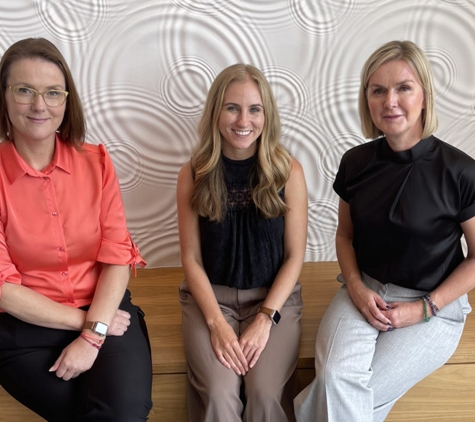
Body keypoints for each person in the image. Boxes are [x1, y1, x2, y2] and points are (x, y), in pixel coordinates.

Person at [294, 40, 474, 421]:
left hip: (435, 302)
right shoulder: (355, 163)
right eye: (378, 90)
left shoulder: (461, 171)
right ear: (367, 99)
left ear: (424, 95)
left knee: (345, 391)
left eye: (403, 88)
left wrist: (425, 308)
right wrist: (357, 289)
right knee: (336, 379)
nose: (390, 101)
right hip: (365, 289)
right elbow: (344, 236)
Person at [0, 37, 152, 421]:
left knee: (123, 410)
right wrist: (86, 327)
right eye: (24, 90)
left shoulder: (96, 162)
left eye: (52, 92)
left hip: (104, 305)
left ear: (66, 101)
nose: (39, 105)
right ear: (3, 96)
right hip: (24, 330)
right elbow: (3, 287)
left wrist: (93, 332)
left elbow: (118, 255)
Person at [176, 63, 308, 421]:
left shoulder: (288, 171)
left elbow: (295, 257)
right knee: (220, 395)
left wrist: (266, 318)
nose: (242, 120)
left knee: (264, 394)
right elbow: (190, 259)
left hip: (272, 300)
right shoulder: (194, 173)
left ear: (267, 114)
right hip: (211, 301)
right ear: (216, 112)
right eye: (232, 107)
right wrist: (217, 324)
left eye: (254, 109)